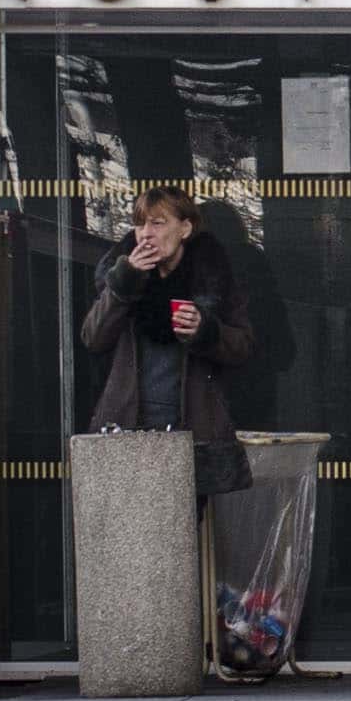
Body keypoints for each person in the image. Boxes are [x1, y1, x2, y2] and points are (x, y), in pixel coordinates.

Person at [79, 186, 253, 505]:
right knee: (131, 533)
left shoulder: (210, 280)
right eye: (140, 223)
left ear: (184, 228)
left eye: (158, 223)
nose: (146, 234)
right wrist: (124, 284)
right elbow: (93, 337)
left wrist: (206, 331)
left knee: (183, 534)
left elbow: (242, 347)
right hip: (128, 428)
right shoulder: (122, 274)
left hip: (192, 432)